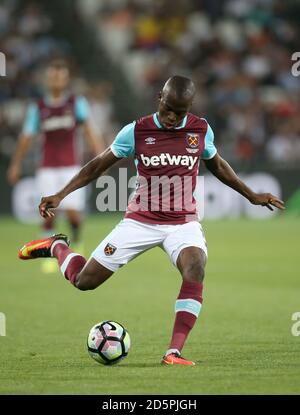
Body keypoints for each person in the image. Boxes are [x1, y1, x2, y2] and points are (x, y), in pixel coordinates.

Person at [18, 76, 285, 366]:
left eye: (179, 112)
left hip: (183, 223)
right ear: (160, 97)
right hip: (140, 222)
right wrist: (61, 194)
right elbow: (97, 165)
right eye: (168, 108)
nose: (172, 117)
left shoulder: (200, 129)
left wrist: (251, 195)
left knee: (195, 266)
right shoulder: (136, 131)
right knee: (85, 282)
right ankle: (57, 245)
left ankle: (174, 352)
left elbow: (217, 164)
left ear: (190, 107)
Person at [8, 59, 104, 272]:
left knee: (73, 213)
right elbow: (26, 137)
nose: (57, 80)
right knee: (48, 211)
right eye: (53, 76)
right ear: (47, 79)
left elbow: (89, 129)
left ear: (66, 79)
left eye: (60, 76)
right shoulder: (39, 107)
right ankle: (49, 253)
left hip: (71, 167)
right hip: (47, 167)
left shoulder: (76, 103)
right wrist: (15, 164)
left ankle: (77, 244)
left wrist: (101, 155)